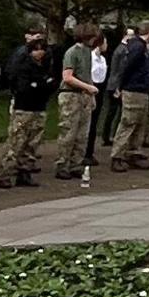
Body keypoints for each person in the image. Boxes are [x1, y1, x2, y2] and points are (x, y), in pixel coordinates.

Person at [0, 30, 61, 186]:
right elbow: (24, 86)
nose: (40, 53)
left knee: (32, 143)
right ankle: (6, 173)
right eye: (36, 49)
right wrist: (40, 85)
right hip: (23, 107)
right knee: (17, 142)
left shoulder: (45, 66)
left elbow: (51, 84)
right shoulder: (24, 66)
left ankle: (24, 171)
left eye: (42, 49)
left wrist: (41, 85)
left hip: (39, 107)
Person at [104, 24, 149, 171]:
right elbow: (127, 67)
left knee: (140, 123)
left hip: (142, 90)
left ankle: (133, 152)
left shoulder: (143, 47)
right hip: (133, 89)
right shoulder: (137, 47)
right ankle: (117, 155)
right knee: (128, 122)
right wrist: (121, 85)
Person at [58, 23, 110, 182]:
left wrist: (90, 94)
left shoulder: (88, 53)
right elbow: (67, 77)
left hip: (84, 95)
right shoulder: (72, 52)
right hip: (70, 95)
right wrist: (87, 87)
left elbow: (87, 75)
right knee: (69, 132)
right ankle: (62, 164)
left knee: (82, 134)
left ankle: (75, 163)